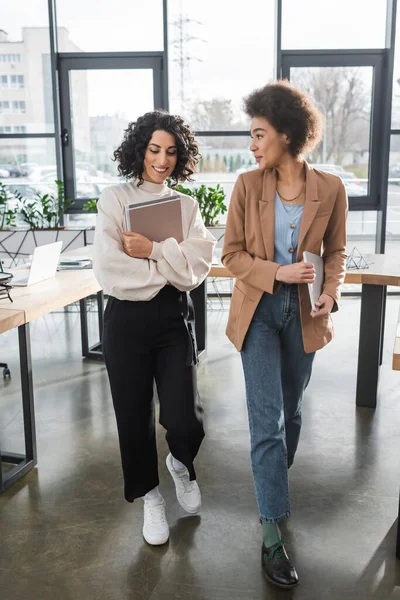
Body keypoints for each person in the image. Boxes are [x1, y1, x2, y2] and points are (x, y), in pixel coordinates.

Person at [221, 80, 348, 588]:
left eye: (258, 134)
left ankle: (275, 475)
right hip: (258, 312)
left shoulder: (331, 188)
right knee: (266, 421)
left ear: (288, 134)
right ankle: (271, 534)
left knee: (290, 409)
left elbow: (336, 252)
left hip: (305, 315)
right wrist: (278, 273)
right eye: (251, 136)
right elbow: (230, 255)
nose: (252, 145)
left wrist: (331, 294)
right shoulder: (247, 187)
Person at [93, 110, 216, 546]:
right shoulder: (114, 199)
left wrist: (151, 249)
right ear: (139, 150)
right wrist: (169, 262)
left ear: (179, 157)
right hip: (125, 321)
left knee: (184, 416)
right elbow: (109, 269)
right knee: (133, 415)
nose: (162, 160)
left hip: (172, 318)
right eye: (154, 150)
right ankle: (150, 498)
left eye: (171, 152)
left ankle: (180, 463)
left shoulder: (187, 206)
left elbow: (199, 266)